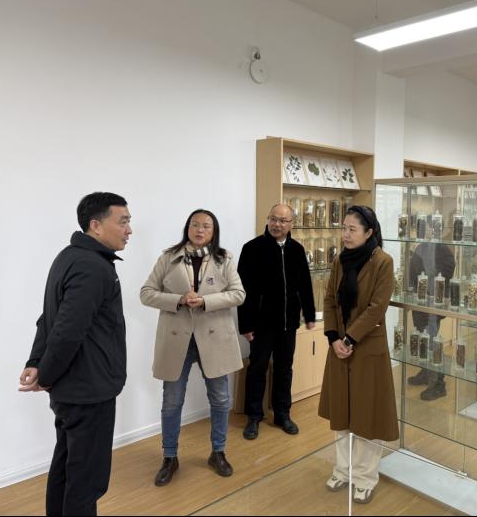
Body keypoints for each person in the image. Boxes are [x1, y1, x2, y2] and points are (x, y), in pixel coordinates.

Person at [18, 192, 132, 516]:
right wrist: (45, 375)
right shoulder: (93, 267)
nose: (129, 230)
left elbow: (49, 319)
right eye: (123, 221)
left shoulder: (68, 256)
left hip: (74, 390)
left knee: (66, 469)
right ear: (96, 225)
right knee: (86, 482)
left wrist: (36, 363)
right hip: (89, 392)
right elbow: (66, 331)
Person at [140, 209, 245, 486]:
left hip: (214, 339)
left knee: (220, 400)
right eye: (195, 225)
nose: (200, 230)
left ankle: (218, 452)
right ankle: (170, 457)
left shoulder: (224, 259)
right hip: (179, 341)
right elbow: (146, 293)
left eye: (206, 226)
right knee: (172, 402)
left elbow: (239, 294)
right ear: (187, 228)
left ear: (214, 231)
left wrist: (206, 301)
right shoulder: (168, 257)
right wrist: (178, 299)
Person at [318, 205, 398, 505]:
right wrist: (333, 338)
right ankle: (343, 470)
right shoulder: (340, 260)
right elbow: (329, 299)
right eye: (344, 228)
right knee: (342, 412)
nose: (345, 234)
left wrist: (350, 337)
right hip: (339, 347)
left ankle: (365, 477)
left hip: (366, 347)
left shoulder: (383, 262)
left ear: (369, 232)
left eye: (352, 229)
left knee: (367, 415)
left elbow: (377, 308)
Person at [238, 204, 316, 440]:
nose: (276, 224)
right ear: (268, 220)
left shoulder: (297, 250)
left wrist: (310, 315)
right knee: (257, 368)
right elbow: (242, 291)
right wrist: (245, 325)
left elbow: (305, 285)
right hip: (260, 324)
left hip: (288, 323)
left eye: (283, 220)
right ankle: (254, 416)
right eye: (273, 219)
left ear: (291, 224)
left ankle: (282, 414)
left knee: (284, 369)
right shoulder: (252, 249)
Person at [408, 232, 455, 400]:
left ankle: (438, 384)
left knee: (432, 341)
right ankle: (427, 372)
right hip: (420, 301)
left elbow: (448, 269)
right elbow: (412, 270)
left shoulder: (441, 248)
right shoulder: (421, 247)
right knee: (423, 338)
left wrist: (430, 280)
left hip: (433, 301)